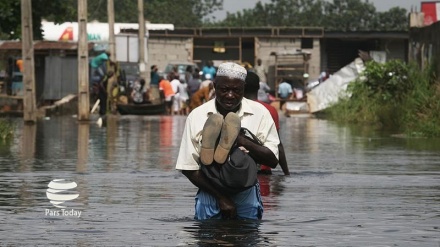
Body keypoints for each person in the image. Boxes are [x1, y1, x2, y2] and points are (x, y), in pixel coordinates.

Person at [176, 62, 280, 220]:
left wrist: (241, 140)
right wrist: (221, 198)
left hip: (245, 189)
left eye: (236, 90)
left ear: (243, 88)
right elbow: (188, 167)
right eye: (224, 90)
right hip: (211, 190)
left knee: (226, 237)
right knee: (238, 237)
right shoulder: (197, 115)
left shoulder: (260, 113)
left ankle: (233, 141)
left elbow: (272, 160)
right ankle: (216, 149)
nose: (230, 95)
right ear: (214, 86)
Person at [244, 71, 290, 175]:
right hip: (264, 172)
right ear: (258, 87)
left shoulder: (235, 108)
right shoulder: (270, 110)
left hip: (240, 170)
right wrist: (286, 173)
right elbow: (277, 144)